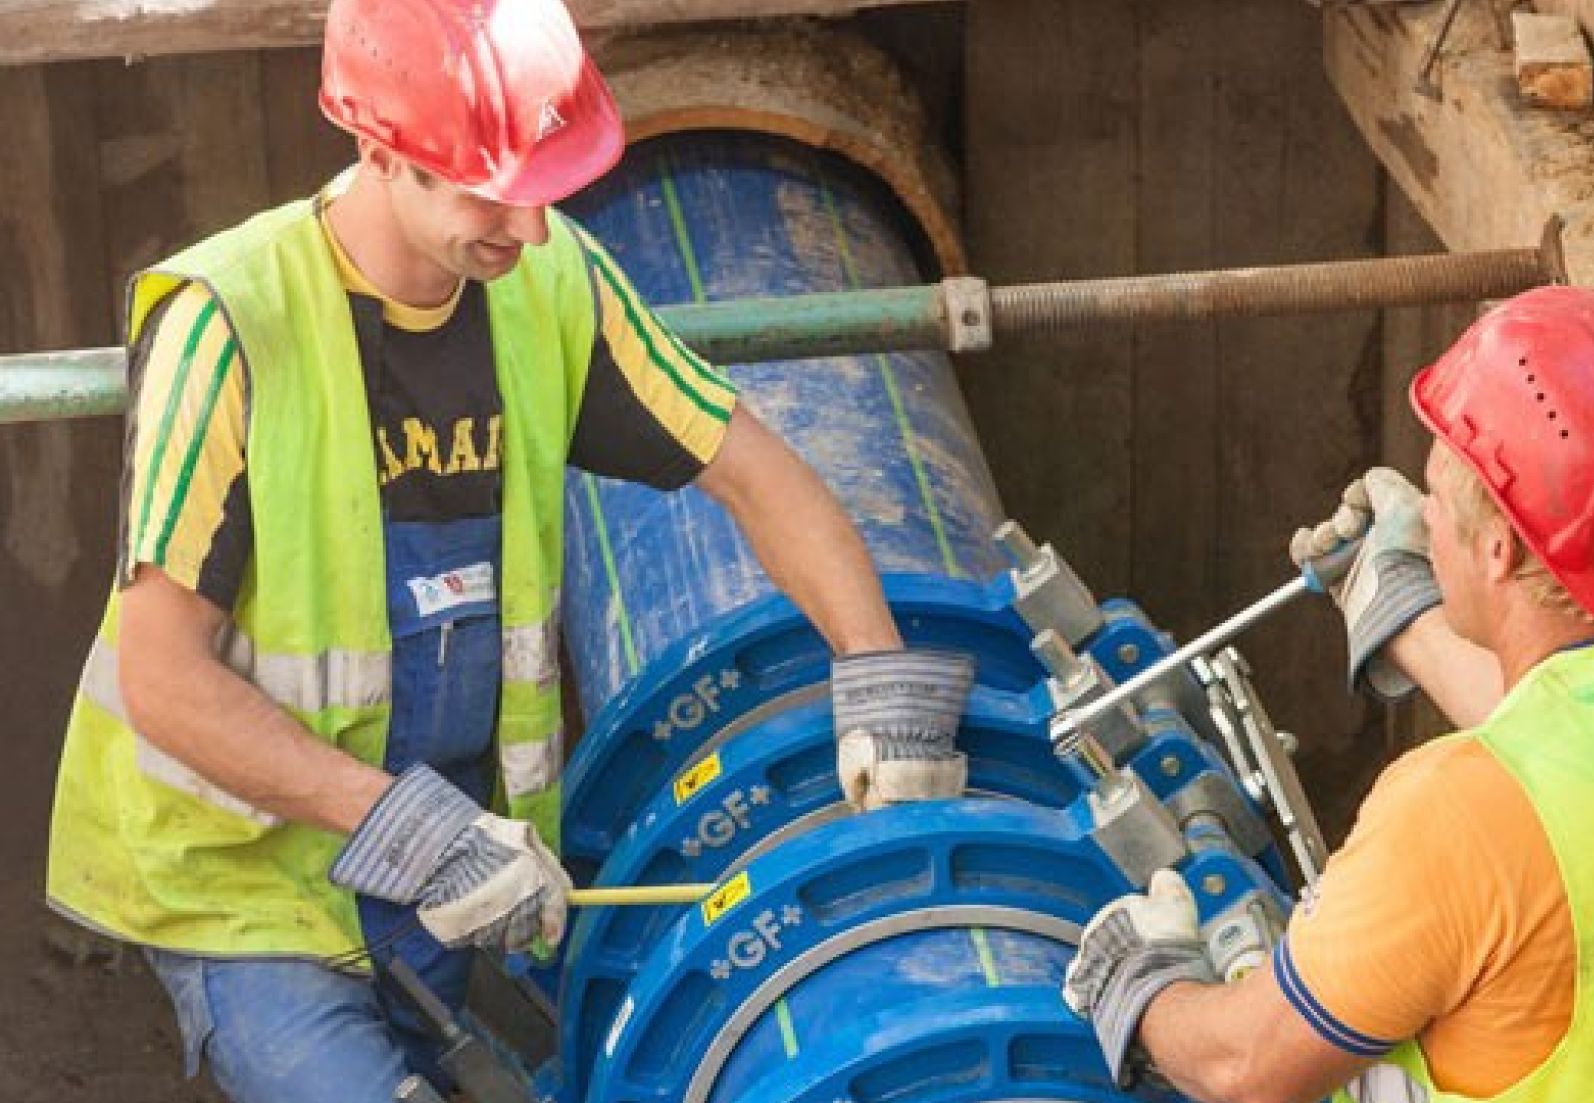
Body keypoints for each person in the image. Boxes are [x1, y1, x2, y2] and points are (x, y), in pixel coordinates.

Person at [43, 0, 970, 1099]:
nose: (529, 229)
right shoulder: (230, 323)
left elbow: (754, 470)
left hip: (462, 867)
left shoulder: (548, 280)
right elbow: (164, 678)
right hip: (251, 890)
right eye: (491, 189)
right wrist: (410, 826)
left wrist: (872, 673)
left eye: (543, 188)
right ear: (379, 146)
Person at [1063, 286, 1594, 1103]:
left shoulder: (1449, 821)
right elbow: (1589, 774)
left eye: (1437, 502)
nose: (1423, 519)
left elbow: (1245, 1065)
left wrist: (1141, 984)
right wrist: (1406, 614)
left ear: (1498, 549)